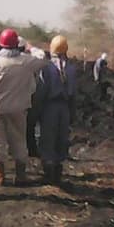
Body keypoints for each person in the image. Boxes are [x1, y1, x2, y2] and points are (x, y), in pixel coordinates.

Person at [0, 28, 45, 186]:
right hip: (19, 109)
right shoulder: (27, 62)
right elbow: (40, 63)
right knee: (19, 141)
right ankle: (20, 176)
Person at [36, 35, 77, 184]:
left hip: (49, 107)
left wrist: (37, 111)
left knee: (47, 138)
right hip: (64, 107)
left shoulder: (46, 68)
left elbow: (41, 91)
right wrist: (72, 112)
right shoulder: (71, 68)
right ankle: (58, 171)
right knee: (61, 138)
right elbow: (73, 93)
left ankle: (49, 172)